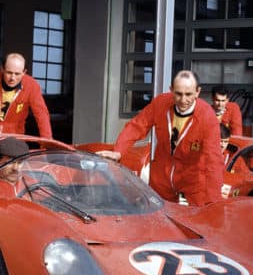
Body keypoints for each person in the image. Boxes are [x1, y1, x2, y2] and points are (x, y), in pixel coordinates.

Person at [96, 70, 224, 206]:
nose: (183, 100)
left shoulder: (207, 117)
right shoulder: (161, 103)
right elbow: (138, 126)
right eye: (178, 94)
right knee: (158, 213)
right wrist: (119, 150)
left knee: (203, 215)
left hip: (193, 174)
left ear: (198, 92)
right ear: (171, 90)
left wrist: (213, 203)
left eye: (188, 94)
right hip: (163, 170)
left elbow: (213, 159)